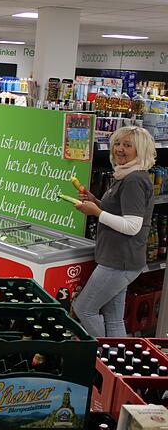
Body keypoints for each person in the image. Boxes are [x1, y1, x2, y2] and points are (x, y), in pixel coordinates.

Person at [72, 126, 156, 337]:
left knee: (84, 309)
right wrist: (95, 202)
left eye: (128, 145)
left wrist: (97, 212)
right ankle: (114, 364)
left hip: (119, 261)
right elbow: (121, 213)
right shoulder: (127, 175)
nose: (120, 149)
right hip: (122, 260)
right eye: (117, 143)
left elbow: (132, 226)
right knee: (113, 317)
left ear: (141, 150)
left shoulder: (134, 180)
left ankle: (101, 357)